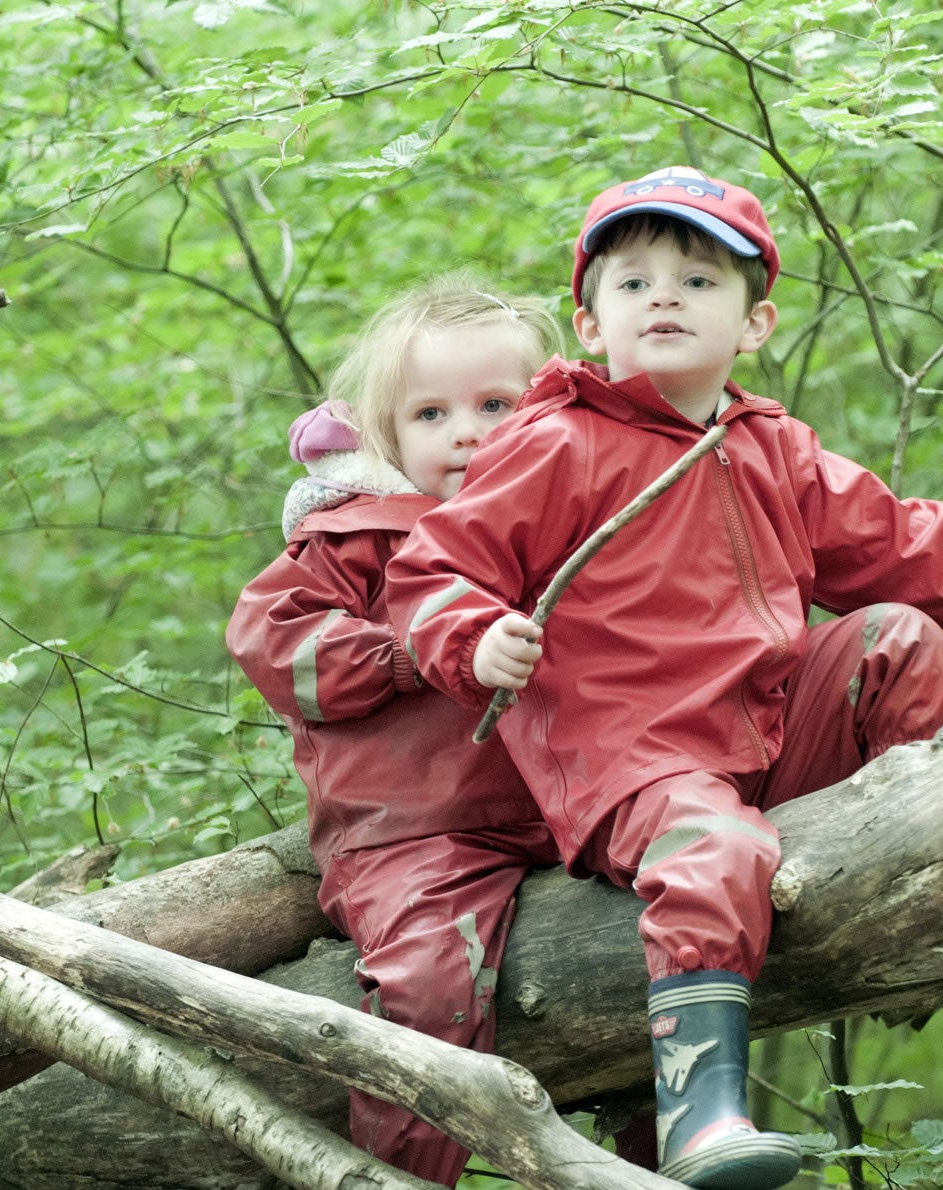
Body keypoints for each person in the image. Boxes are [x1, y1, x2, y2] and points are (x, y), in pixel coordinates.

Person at [385, 166, 943, 1190]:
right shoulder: (551, 443)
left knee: (895, 635)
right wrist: (473, 636)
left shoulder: (768, 446)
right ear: (588, 325)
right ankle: (699, 1112)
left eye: (697, 279)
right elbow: (432, 569)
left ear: (755, 321)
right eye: (633, 281)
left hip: (769, 739)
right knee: (716, 841)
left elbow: (904, 539)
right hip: (630, 764)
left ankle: (929, 867)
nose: (664, 298)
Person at [225, 274, 566, 1186]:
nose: (468, 430)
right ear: (384, 436)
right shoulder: (358, 538)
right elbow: (275, 646)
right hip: (417, 835)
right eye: (431, 414)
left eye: (498, 403)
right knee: (430, 991)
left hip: (574, 808)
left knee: (687, 910)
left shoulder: (564, 528)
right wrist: (413, 651)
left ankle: (675, 1147)